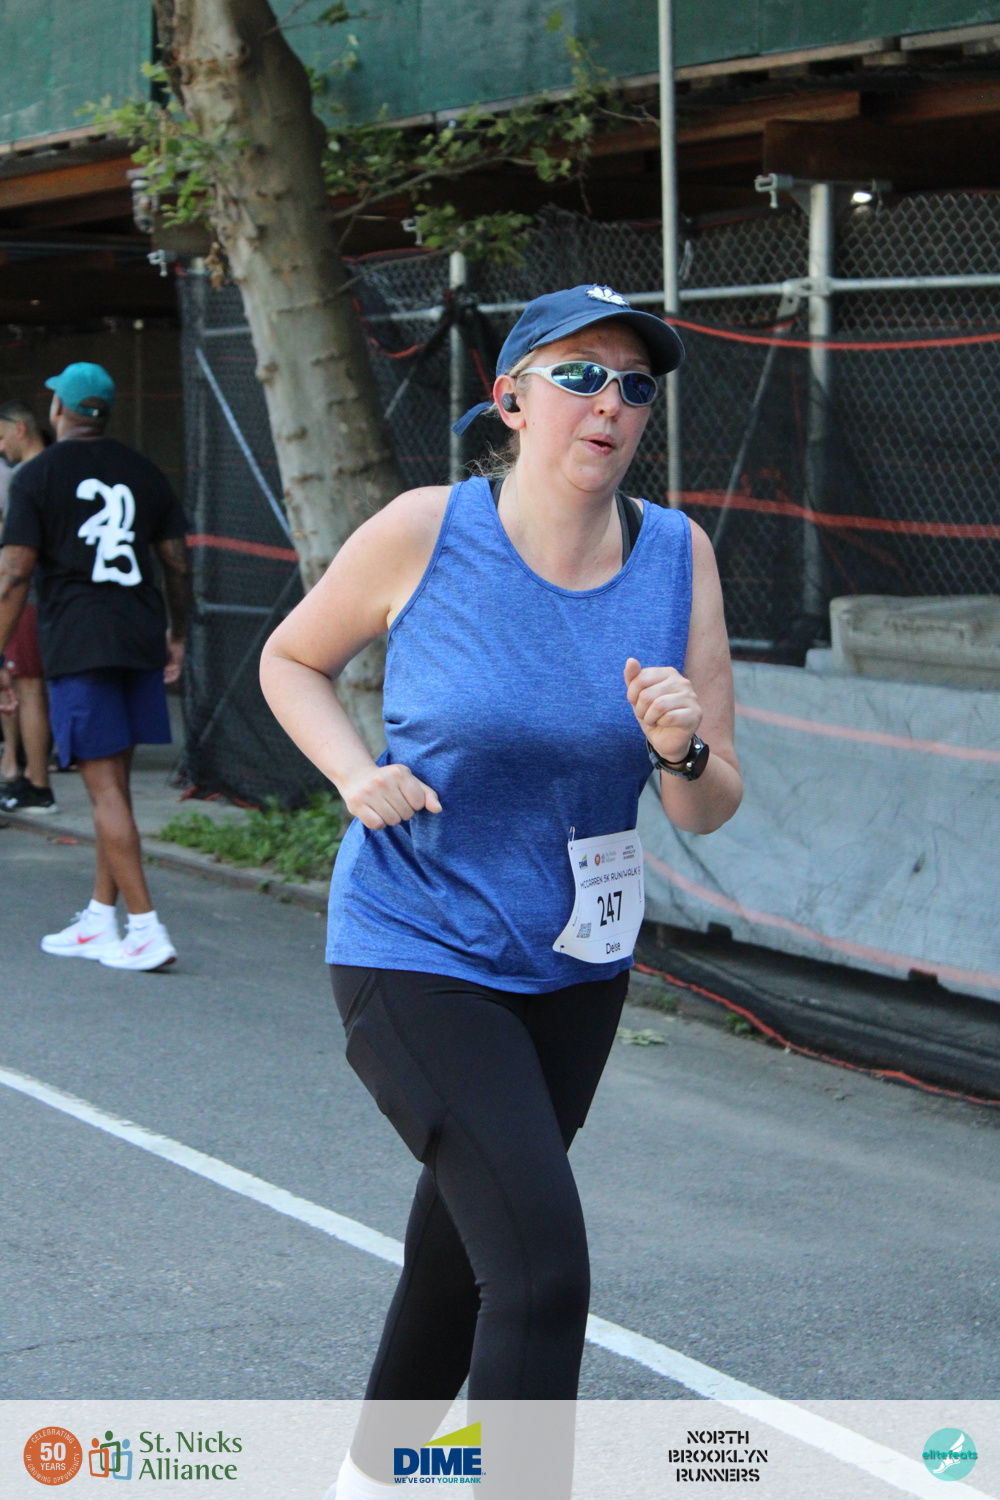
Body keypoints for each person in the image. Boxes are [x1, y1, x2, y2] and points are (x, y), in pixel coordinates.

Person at [259, 285, 743, 1500]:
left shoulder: (678, 556)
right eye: (578, 375)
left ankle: (373, 1477)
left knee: (458, 1260)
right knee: (538, 1270)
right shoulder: (427, 530)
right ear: (511, 399)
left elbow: (707, 803)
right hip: (415, 947)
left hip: (575, 965)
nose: (609, 404)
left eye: (634, 386)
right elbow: (292, 658)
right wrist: (354, 772)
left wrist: (681, 747)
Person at [0, 362, 191, 972]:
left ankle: (146, 929)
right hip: (138, 635)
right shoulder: (146, 471)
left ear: (59, 409)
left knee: (103, 789)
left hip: (81, 641)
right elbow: (176, 562)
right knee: (115, 787)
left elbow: (14, 573)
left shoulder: (36, 475)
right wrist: (178, 633)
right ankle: (99, 917)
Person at [0, 399, 56, 811]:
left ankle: (36, 784)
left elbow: (16, 561)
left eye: (2, 437)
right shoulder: (55, 470)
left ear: (19, 429)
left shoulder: (27, 477)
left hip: (26, 597)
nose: (1, 447)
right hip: (44, 597)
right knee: (28, 686)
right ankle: (23, 773)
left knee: (29, 687)